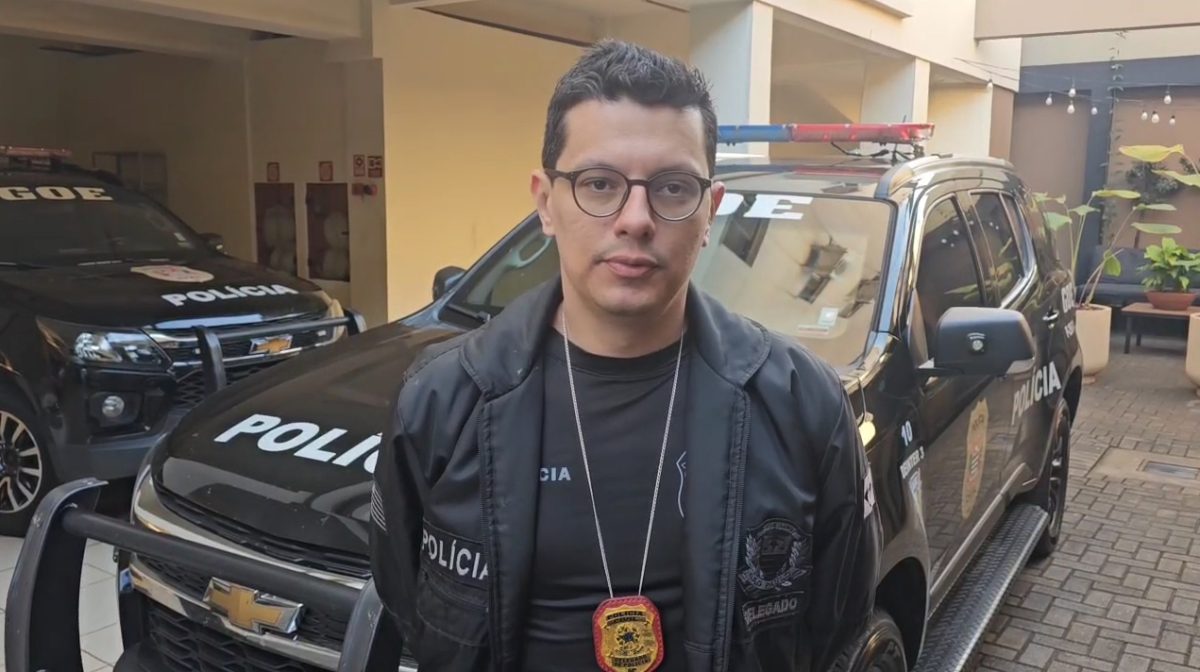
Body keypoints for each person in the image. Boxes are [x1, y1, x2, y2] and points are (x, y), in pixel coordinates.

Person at [370, 39, 882, 672]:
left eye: (672, 188)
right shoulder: (442, 400)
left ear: (709, 212)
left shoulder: (802, 404)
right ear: (545, 203)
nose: (636, 219)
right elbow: (407, 600)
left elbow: (837, 618)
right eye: (599, 183)